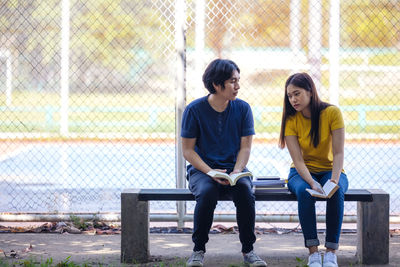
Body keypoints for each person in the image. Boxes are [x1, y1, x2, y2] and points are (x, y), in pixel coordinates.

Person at [181, 59, 267, 267]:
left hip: (234, 168)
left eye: (238, 81)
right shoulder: (194, 110)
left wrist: (237, 171)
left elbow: (245, 148)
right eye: (232, 81)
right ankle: (198, 250)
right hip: (203, 170)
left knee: (245, 192)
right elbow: (188, 151)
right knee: (207, 192)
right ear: (217, 85)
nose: (238, 86)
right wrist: (211, 172)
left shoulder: (243, 108)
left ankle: (249, 251)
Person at [279, 73, 349, 267]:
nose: (293, 99)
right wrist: (311, 182)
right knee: (304, 192)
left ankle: (331, 252)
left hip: (331, 170)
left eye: (297, 93)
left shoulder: (332, 113)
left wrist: (334, 180)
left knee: (337, 192)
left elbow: (338, 153)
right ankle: (313, 253)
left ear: (310, 91)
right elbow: (298, 160)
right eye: (290, 96)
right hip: (301, 173)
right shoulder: (291, 119)